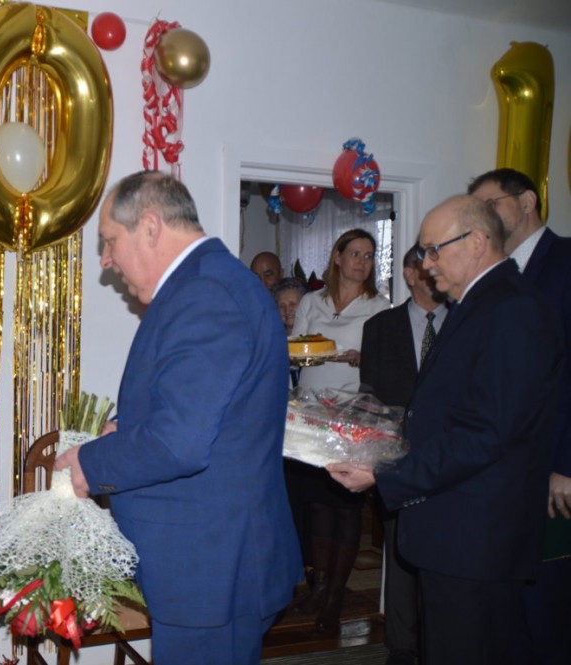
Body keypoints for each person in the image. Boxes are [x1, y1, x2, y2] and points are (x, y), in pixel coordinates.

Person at [53, 171, 301, 665]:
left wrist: (89, 463)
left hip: (212, 570)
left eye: (109, 241)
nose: (105, 260)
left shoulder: (206, 294)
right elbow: (204, 412)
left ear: (149, 227)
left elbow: (178, 443)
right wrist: (127, 429)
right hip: (208, 564)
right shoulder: (207, 285)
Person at [329, 195, 564, 665]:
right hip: (456, 535)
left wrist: (384, 473)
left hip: (477, 541)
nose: (425, 263)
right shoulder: (477, 305)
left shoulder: (511, 309)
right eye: (422, 252)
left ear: (476, 242)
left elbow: (487, 433)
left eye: (433, 249)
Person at [468, 168, 571, 664]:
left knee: (549, 609)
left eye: (491, 204)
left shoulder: (567, 262)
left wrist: (567, 462)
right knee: (505, 615)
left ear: (527, 201)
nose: (482, 217)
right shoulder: (490, 275)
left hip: (553, 469)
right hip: (499, 473)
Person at [288, 229, 390, 633]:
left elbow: (385, 361)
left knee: (345, 506)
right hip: (312, 416)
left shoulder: (378, 306)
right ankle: (319, 587)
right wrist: (307, 352)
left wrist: (360, 358)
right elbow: (296, 348)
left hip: (352, 417)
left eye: (369, 255)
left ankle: (335, 597)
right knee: (317, 503)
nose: (362, 262)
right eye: (355, 254)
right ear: (337, 257)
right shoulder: (312, 301)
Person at [359, 244, 447, 665]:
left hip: (449, 458)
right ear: (410, 275)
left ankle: (438, 638)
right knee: (399, 551)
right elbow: (370, 395)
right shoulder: (380, 327)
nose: (433, 270)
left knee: (444, 552)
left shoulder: (464, 321)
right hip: (396, 457)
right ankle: (402, 645)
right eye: (423, 265)